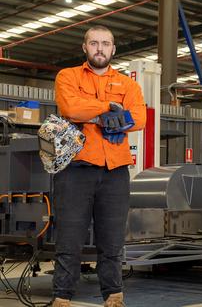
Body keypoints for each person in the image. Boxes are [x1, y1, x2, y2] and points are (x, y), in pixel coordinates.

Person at [52, 25, 146, 307]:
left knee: (113, 239)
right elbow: (70, 108)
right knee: (69, 238)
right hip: (76, 168)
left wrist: (91, 113)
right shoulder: (67, 76)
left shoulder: (128, 84)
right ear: (85, 47)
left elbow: (139, 118)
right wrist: (109, 110)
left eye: (106, 43)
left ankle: (114, 295)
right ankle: (62, 296)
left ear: (114, 49)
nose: (100, 48)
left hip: (115, 170)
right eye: (94, 43)